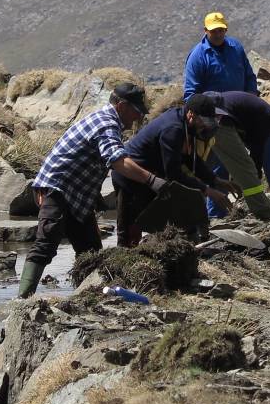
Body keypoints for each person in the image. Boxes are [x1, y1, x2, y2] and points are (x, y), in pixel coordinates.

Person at [19, 83, 164, 298]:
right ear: (122, 106)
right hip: (58, 186)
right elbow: (116, 160)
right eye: (136, 111)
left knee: (91, 251)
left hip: (78, 195)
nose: (137, 118)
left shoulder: (106, 120)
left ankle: (85, 297)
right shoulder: (106, 123)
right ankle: (21, 301)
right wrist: (152, 180)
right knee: (46, 243)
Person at [112, 93, 239, 247]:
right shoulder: (173, 128)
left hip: (151, 178)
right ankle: (124, 261)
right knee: (130, 231)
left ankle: (186, 248)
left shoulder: (186, 124)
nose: (204, 126)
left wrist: (215, 180)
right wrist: (207, 190)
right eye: (203, 121)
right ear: (191, 114)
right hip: (130, 177)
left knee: (173, 218)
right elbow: (174, 175)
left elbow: (190, 159)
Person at [202, 91, 270, 221]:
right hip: (219, 121)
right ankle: (266, 213)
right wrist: (255, 172)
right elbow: (257, 148)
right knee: (246, 169)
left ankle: (214, 216)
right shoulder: (268, 117)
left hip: (206, 118)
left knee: (209, 169)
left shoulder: (257, 111)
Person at [182, 12, 258, 99]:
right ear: (205, 30)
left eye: (221, 30)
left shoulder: (236, 47)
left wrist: (252, 97)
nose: (218, 35)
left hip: (241, 104)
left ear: (226, 29)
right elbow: (191, 92)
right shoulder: (197, 56)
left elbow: (249, 76)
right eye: (213, 31)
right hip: (214, 109)